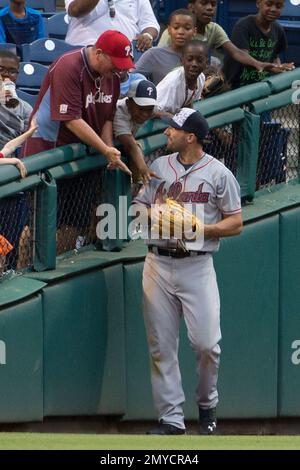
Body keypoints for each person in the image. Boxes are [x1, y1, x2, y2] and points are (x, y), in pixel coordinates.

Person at [132, 108, 243, 435]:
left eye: (174, 129)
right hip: (157, 263)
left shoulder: (219, 173)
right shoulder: (157, 166)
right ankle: (171, 420)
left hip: (197, 265)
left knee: (208, 344)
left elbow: (236, 222)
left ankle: (207, 405)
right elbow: (138, 209)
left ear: (190, 136)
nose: (167, 133)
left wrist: (203, 229)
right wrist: (150, 215)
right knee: (161, 347)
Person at [22, 29, 134, 176]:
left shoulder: (112, 76)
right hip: (48, 149)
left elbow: (107, 118)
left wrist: (111, 150)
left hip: (78, 154)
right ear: (99, 54)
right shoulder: (69, 66)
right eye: (115, 62)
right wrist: (105, 150)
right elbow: (71, 119)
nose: (119, 69)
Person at [159, 0, 286, 76]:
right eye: (204, 3)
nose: (209, 8)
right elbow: (160, 62)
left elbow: (236, 52)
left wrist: (259, 64)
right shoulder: (172, 33)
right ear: (191, 6)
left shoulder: (214, 29)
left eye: (213, 4)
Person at [223, 0, 294, 89]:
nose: (273, 9)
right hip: (237, 86)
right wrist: (263, 65)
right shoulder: (244, 26)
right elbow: (242, 55)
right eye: (268, 4)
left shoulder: (278, 30)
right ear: (258, 3)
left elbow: (275, 56)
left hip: (261, 86)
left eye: (278, 6)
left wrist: (279, 67)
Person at [113, 78, 159, 185]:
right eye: (141, 108)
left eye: (149, 109)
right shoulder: (119, 112)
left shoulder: (152, 110)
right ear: (129, 103)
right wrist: (144, 168)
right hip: (100, 151)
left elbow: (157, 112)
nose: (145, 114)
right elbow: (131, 145)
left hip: (121, 150)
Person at [65, 0, 160, 51]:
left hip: (126, 54)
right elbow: (75, 10)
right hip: (87, 51)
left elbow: (150, 23)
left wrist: (147, 35)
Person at [135, 9, 196, 85]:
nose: (180, 32)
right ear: (169, 30)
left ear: (194, 31)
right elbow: (131, 78)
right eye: (176, 27)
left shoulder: (198, 56)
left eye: (187, 28)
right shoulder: (154, 54)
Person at [155, 40, 207, 118]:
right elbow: (152, 110)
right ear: (182, 60)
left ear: (206, 63)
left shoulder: (201, 78)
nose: (194, 64)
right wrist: (175, 120)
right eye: (189, 59)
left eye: (199, 61)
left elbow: (189, 102)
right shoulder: (172, 82)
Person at [0, 50, 32, 151]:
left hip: (11, 160)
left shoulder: (25, 108)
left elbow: (28, 141)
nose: (6, 75)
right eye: (1, 69)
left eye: (12, 71)